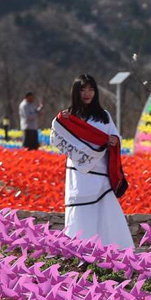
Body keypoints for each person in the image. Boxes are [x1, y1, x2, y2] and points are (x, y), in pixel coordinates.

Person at [50, 74, 133, 249]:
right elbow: (57, 137)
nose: (87, 93)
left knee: (106, 213)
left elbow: (116, 136)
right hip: (79, 175)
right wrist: (61, 122)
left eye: (91, 89)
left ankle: (112, 253)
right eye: (82, 89)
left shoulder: (103, 116)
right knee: (80, 213)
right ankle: (80, 252)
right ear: (76, 92)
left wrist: (114, 140)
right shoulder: (69, 117)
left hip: (101, 175)